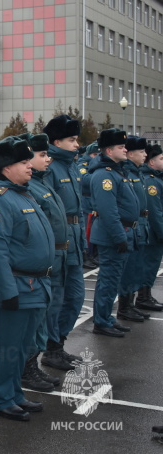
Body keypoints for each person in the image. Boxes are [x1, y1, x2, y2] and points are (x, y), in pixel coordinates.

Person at [0, 136, 53, 422]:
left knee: (22, 346)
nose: (30, 167)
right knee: (7, 346)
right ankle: (0, 398)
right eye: (23, 163)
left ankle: (13, 393)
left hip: (35, 285)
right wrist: (6, 290)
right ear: (6, 167)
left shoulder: (22, 193)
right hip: (17, 286)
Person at [19, 133, 67, 391]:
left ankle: (34, 365)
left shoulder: (42, 183)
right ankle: (27, 369)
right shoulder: (28, 187)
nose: (47, 159)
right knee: (35, 321)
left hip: (50, 261)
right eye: (41, 155)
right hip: (33, 268)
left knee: (44, 317)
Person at [40, 115, 85, 369]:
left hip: (75, 239)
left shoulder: (71, 165)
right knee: (56, 299)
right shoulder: (51, 166)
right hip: (60, 240)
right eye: (72, 139)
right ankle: (51, 348)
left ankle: (59, 342)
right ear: (56, 141)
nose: (77, 144)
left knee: (76, 297)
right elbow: (50, 209)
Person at [89, 128, 139, 337]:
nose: (125, 149)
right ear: (109, 150)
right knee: (108, 281)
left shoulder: (118, 171)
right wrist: (120, 237)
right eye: (121, 147)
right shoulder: (104, 176)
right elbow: (108, 211)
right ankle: (101, 321)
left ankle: (107, 317)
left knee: (113, 280)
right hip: (113, 236)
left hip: (123, 231)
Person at [116, 136, 151, 323]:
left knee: (136, 267)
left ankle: (130, 304)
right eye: (141, 152)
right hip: (129, 227)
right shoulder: (126, 174)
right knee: (128, 270)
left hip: (140, 226)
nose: (145, 155)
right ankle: (124, 307)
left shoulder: (137, 173)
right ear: (130, 154)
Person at [138, 143, 163, 312]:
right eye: (161, 158)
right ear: (151, 162)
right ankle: (143, 296)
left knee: (152, 264)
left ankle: (146, 295)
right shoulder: (151, 182)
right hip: (153, 232)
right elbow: (155, 212)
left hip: (155, 231)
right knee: (149, 264)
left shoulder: (157, 178)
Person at [80, 142, 101, 269]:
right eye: (94, 154)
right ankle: (86, 255)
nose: (96, 157)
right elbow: (85, 180)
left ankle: (92, 254)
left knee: (92, 230)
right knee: (86, 231)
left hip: (93, 202)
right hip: (86, 202)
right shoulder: (83, 165)